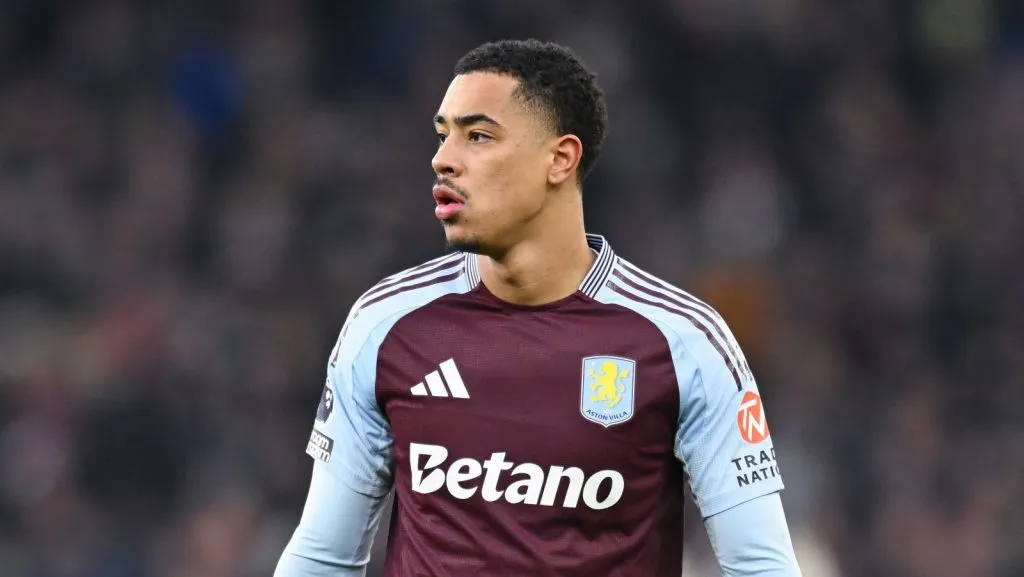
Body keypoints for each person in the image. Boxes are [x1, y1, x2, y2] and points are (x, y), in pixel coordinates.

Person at [274, 39, 802, 577]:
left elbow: (760, 566)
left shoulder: (682, 342)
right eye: (443, 135)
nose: (443, 159)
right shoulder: (386, 325)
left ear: (560, 159)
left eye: (478, 136)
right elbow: (323, 556)